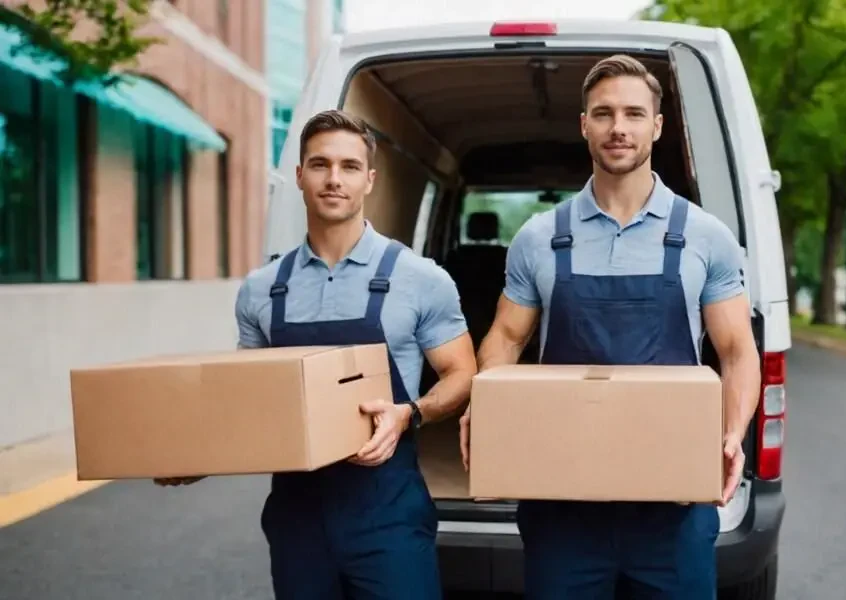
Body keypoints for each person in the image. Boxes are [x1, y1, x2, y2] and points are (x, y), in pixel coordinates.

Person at [458, 54, 761, 598]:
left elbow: (737, 350)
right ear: (583, 125)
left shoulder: (705, 236)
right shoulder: (538, 238)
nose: (618, 128)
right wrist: (486, 401)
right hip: (562, 504)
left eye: (633, 114)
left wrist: (732, 434)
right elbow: (506, 338)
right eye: (603, 114)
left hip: (674, 503)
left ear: (657, 125)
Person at [157, 109, 477, 600]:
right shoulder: (261, 290)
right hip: (297, 518)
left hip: (387, 514)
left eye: (349, 167)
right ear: (300, 176)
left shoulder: (420, 278)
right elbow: (250, 400)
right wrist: (198, 458)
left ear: (369, 179)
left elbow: (460, 374)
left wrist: (408, 414)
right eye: (320, 164)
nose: (334, 179)